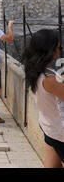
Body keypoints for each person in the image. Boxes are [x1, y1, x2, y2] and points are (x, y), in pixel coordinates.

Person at [23, 29, 64, 168]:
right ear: (50, 50)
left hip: (49, 127)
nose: (59, 51)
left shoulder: (36, 71)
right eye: (58, 47)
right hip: (60, 131)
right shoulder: (50, 80)